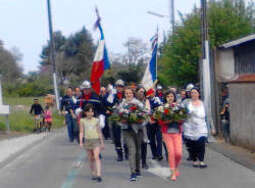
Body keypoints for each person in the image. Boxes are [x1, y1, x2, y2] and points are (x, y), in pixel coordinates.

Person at [117, 86, 146, 181]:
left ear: (133, 94)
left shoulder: (138, 104)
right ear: (124, 95)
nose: (128, 95)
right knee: (131, 150)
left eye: (130, 93)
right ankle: (132, 172)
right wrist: (122, 121)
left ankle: (138, 170)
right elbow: (117, 118)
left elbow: (145, 116)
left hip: (138, 130)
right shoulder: (121, 105)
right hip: (126, 130)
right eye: (126, 93)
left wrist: (139, 120)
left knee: (138, 151)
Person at [158, 91, 182, 181]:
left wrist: (177, 118)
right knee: (171, 152)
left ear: (174, 97)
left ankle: (176, 167)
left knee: (178, 153)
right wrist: (166, 120)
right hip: (166, 133)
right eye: (168, 96)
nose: (170, 98)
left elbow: (183, 119)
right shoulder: (162, 108)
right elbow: (160, 121)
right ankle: (172, 172)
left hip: (177, 132)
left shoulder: (178, 107)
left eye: (171, 96)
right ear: (165, 98)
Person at [183, 87, 208, 168]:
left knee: (201, 143)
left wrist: (211, 127)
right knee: (192, 145)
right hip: (189, 127)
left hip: (201, 127)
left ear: (198, 94)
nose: (193, 94)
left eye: (195, 92)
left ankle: (201, 160)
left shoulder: (203, 103)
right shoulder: (187, 103)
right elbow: (182, 113)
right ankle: (194, 159)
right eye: (192, 93)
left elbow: (207, 116)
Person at [79, 104, 104, 183]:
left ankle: (99, 174)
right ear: (85, 112)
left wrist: (102, 142)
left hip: (95, 140)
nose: (90, 113)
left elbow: (99, 131)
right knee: (91, 158)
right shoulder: (82, 120)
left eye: (92, 112)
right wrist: (81, 141)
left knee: (96, 157)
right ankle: (93, 172)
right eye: (88, 112)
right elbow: (81, 132)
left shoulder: (96, 120)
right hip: (87, 140)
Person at [106, 79, 128, 161]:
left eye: (121, 86)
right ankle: (119, 154)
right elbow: (107, 104)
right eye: (118, 86)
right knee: (117, 137)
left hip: (125, 118)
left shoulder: (126, 95)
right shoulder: (112, 95)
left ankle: (127, 152)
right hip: (115, 117)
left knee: (126, 136)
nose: (119, 88)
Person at [135, 86, 150, 169]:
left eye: (143, 92)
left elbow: (148, 110)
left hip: (143, 124)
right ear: (136, 92)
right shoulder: (133, 101)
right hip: (134, 125)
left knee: (144, 143)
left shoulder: (146, 101)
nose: (142, 93)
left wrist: (143, 112)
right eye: (140, 91)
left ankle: (144, 162)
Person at [147, 88, 163, 161]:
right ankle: (154, 154)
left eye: (153, 93)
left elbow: (160, 108)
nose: (152, 94)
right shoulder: (146, 101)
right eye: (151, 93)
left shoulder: (157, 99)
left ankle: (159, 154)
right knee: (151, 139)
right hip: (149, 122)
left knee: (159, 138)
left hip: (157, 122)